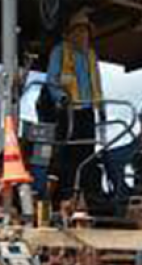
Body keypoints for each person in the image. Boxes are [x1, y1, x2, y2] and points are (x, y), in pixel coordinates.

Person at [45, 11, 105, 197]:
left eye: (85, 31)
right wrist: (61, 98)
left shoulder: (91, 56)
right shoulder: (60, 51)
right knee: (67, 153)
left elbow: (97, 82)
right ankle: (65, 194)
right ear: (70, 33)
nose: (82, 35)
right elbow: (52, 80)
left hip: (88, 110)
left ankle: (90, 194)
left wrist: (101, 108)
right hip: (68, 110)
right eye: (78, 31)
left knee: (88, 153)